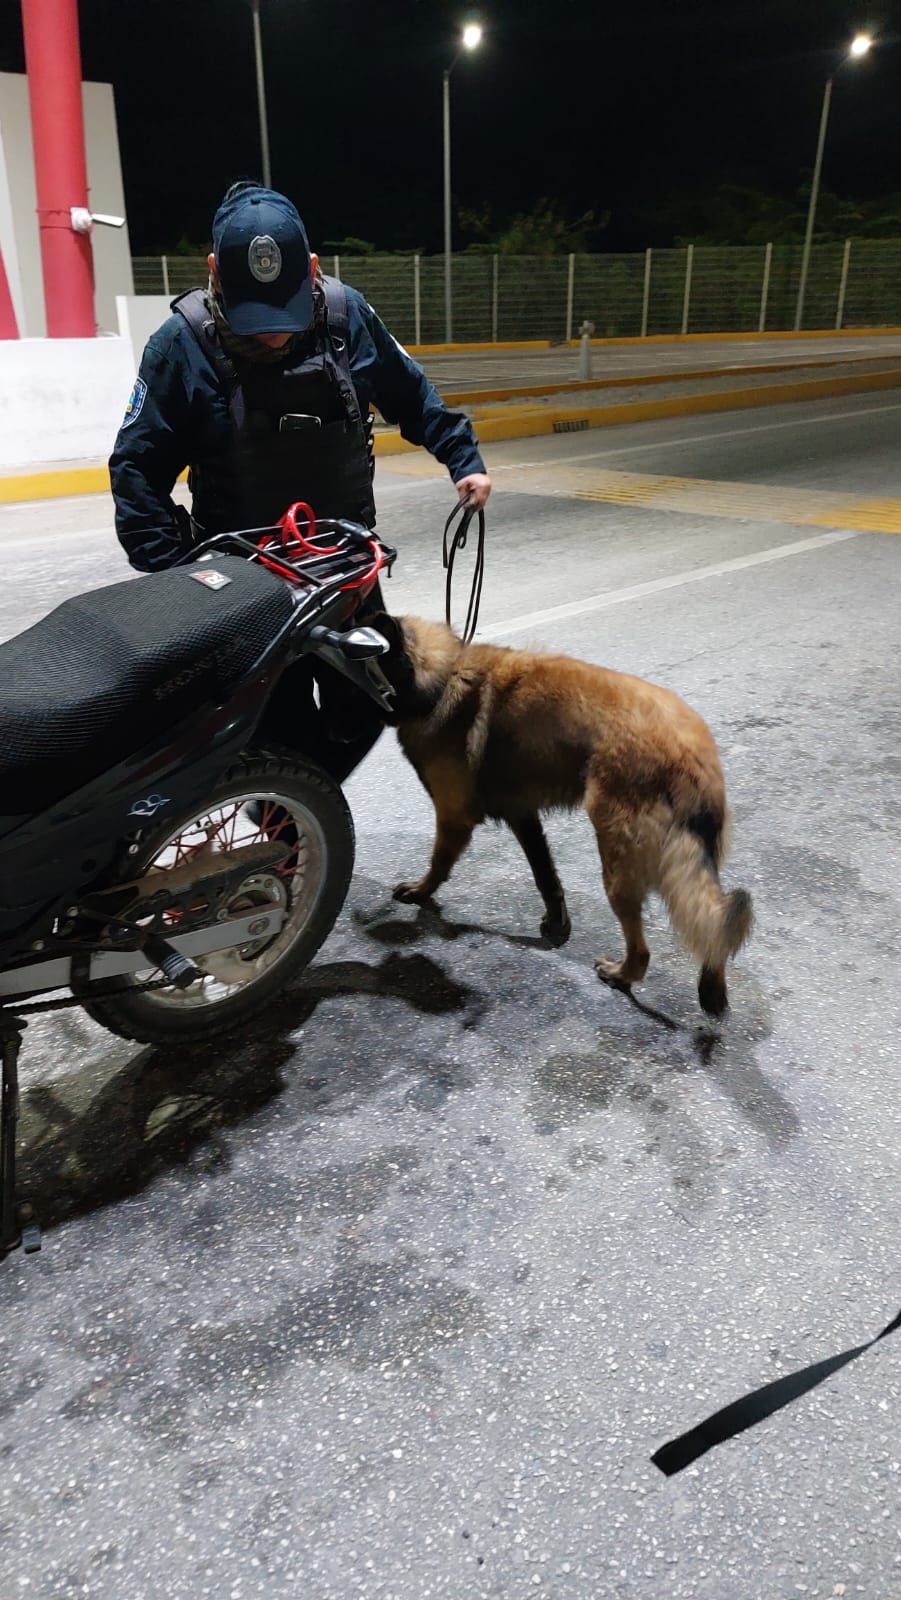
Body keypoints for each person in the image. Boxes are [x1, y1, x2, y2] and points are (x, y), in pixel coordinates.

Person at [109, 180, 491, 779]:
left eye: (283, 312)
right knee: (269, 730)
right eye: (253, 316)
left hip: (342, 570)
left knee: (371, 703)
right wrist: (184, 572)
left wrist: (462, 457)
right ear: (214, 272)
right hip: (243, 584)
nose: (271, 334)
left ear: (312, 268)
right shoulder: (179, 344)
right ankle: (281, 846)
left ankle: (301, 813)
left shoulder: (348, 317)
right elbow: (135, 471)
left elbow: (411, 395)